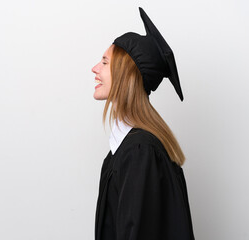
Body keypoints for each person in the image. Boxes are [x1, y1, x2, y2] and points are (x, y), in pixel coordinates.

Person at [91, 7, 195, 240]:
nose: (95, 68)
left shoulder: (140, 152)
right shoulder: (127, 149)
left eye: (105, 62)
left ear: (125, 74)